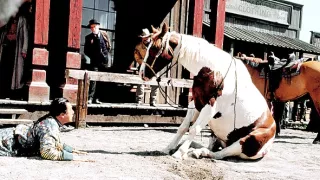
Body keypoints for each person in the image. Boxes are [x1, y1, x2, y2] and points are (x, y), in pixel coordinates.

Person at [0, 97, 91, 161]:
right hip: (5, 142)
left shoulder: (52, 121)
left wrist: (71, 150)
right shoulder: (50, 125)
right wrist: (72, 157)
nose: (73, 112)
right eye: (71, 110)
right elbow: (47, 152)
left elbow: (52, 142)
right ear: (62, 114)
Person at [0, 7, 29, 100]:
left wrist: (24, 49)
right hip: (7, 48)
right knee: (5, 70)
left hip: (16, 49)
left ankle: (15, 94)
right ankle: (4, 92)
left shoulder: (22, 19)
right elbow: (4, 31)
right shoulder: (8, 19)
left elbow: (25, 34)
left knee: (16, 73)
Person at [84, 19, 112, 104]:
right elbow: (86, 51)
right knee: (93, 80)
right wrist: (94, 56)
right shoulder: (88, 38)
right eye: (91, 27)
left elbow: (108, 46)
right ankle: (90, 98)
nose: (93, 28)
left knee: (102, 80)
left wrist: (105, 56)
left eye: (94, 26)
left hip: (104, 62)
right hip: (94, 62)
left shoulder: (104, 35)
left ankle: (98, 98)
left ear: (98, 26)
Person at [134, 28, 158, 106]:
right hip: (143, 66)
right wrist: (144, 63)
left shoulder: (154, 45)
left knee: (155, 83)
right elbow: (137, 57)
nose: (145, 38)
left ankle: (153, 101)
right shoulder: (138, 47)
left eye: (147, 37)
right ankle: (139, 100)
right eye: (144, 37)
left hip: (153, 67)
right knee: (140, 82)